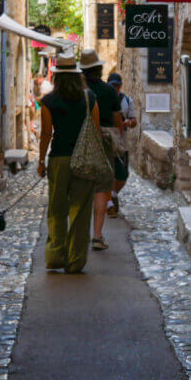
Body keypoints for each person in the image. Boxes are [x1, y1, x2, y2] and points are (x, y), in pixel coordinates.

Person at [38, 53, 100, 273]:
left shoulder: (48, 101)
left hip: (59, 158)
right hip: (84, 160)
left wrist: (40, 161)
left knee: (56, 209)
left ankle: (55, 255)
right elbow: (96, 131)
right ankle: (75, 260)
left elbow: (46, 133)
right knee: (81, 211)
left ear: (56, 76)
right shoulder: (89, 98)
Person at [78, 49, 123, 251]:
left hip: (79, 140)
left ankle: (77, 235)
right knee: (102, 188)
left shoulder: (77, 91)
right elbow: (117, 120)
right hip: (103, 140)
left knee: (81, 186)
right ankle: (97, 235)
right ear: (98, 69)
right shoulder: (109, 91)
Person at [106, 72, 137, 217]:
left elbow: (134, 121)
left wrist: (127, 123)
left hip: (122, 142)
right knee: (107, 173)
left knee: (123, 175)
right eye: (113, 86)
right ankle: (109, 202)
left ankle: (112, 194)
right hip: (106, 140)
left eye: (117, 85)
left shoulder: (127, 101)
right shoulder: (103, 99)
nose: (115, 88)